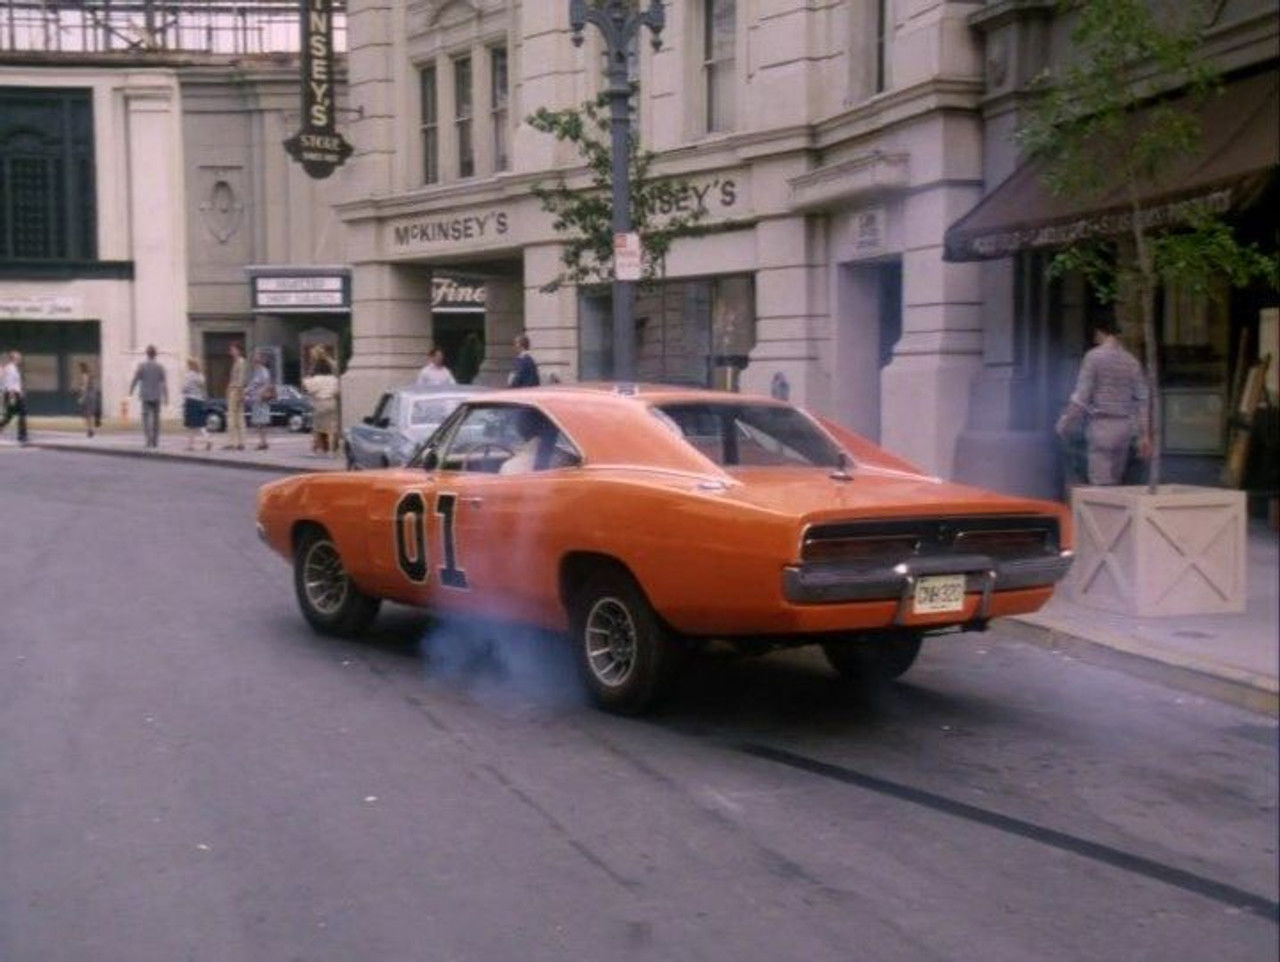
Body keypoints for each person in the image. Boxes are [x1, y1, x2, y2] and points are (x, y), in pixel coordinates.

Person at [1056, 318, 1151, 486]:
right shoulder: (1131, 361)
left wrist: (1066, 422)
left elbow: (1081, 397)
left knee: (1100, 483)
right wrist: (1144, 435)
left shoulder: (1094, 357)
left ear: (1099, 333)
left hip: (1102, 425)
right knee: (1116, 481)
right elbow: (1142, 398)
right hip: (1125, 427)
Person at [129, 345, 169, 449]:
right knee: (156, 418)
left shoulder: (142, 366)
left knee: (145, 418)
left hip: (145, 396)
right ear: (155, 354)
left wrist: (131, 391)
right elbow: (164, 383)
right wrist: (166, 397)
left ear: (147, 354)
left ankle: (148, 440)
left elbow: (135, 379)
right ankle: (155, 441)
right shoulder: (160, 367)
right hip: (157, 395)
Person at [303, 348, 341, 456]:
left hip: (319, 403)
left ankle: (315, 449)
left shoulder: (316, 378)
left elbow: (308, 388)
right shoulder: (333, 379)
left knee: (317, 427)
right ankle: (331, 451)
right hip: (331, 402)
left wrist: (309, 374)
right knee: (331, 428)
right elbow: (337, 392)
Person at [245, 350, 275, 451]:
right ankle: (263, 441)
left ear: (261, 360)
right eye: (254, 357)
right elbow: (253, 384)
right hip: (256, 398)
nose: (254, 359)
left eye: (256, 357)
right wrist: (247, 391)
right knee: (259, 421)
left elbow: (266, 383)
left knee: (261, 421)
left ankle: (263, 442)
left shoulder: (263, 371)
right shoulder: (257, 371)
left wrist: (261, 393)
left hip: (261, 398)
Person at [182, 357, 212, 451]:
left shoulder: (189, 375)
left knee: (191, 424)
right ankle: (207, 439)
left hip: (191, 400)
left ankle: (190, 445)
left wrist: (183, 390)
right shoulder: (200, 376)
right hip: (200, 400)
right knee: (200, 423)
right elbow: (203, 389)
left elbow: (185, 388)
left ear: (190, 365)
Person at [0, 350, 28, 444]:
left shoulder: (13, 368)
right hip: (13, 394)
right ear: (14, 358)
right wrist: (12, 396)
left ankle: (22, 435)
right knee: (22, 413)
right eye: (18, 357)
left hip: (14, 393)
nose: (20, 359)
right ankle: (22, 436)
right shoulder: (10, 368)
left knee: (9, 415)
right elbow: (9, 383)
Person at [223, 342, 247, 451]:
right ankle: (240, 442)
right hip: (235, 390)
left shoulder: (240, 362)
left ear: (238, 350)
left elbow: (240, 379)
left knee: (233, 417)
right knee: (237, 417)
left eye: (233, 349)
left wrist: (239, 392)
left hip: (236, 390)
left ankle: (233, 442)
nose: (231, 352)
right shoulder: (237, 362)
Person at [74, 361, 100, 437]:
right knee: (88, 413)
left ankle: (90, 429)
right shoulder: (89, 375)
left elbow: (85, 387)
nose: (78, 370)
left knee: (87, 414)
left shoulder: (85, 375)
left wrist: (82, 397)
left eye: (79, 368)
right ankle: (90, 429)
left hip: (88, 395)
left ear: (82, 368)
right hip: (92, 395)